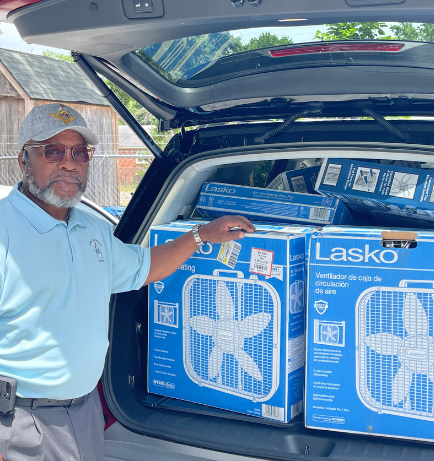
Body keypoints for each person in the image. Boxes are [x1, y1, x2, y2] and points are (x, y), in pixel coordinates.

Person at [0, 103, 255, 461]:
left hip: (84, 413)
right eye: (53, 151)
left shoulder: (93, 229)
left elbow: (143, 267)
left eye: (80, 153)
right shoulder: (4, 232)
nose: (70, 163)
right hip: (20, 425)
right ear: (23, 159)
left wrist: (200, 236)